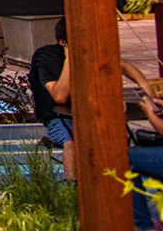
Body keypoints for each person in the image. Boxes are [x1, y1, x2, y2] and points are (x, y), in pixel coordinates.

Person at [29, 18, 163, 229]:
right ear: (64, 42)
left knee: (119, 146)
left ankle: (124, 203)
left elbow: (125, 66)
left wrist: (149, 94)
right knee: (71, 143)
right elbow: (60, 96)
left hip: (94, 114)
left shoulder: (93, 49)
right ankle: (74, 195)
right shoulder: (47, 57)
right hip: (60, 118)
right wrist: (70, 58)